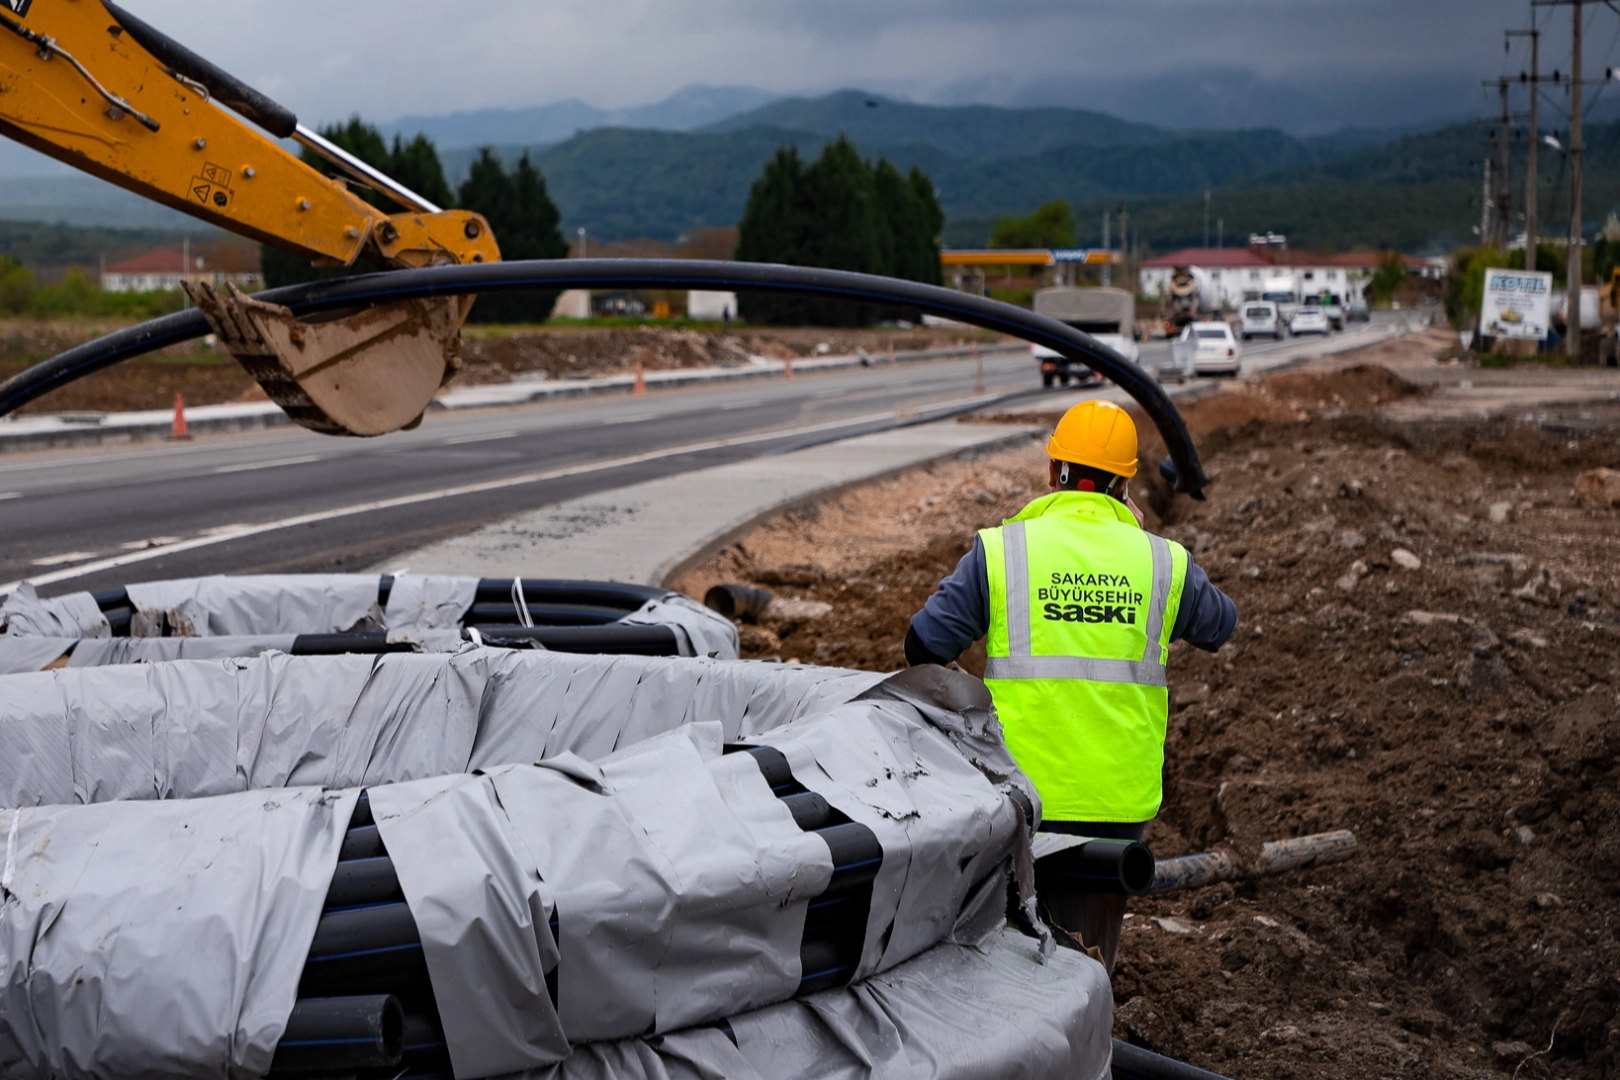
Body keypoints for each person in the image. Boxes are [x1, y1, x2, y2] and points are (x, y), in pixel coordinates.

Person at [905, 399, 1236, 971]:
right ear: (1124, 482)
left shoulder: (1004, 551)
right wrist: (1140, 543)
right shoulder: (1162, 563)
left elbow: (924, 646)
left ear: (1053, 471)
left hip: (1016, 798)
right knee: (1087, 960)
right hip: (1115, 804)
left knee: (1002, 953)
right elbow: (1220, 625)